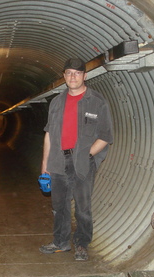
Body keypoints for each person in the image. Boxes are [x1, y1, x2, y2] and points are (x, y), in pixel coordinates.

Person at [39, 58, 113, 261]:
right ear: (64, 76)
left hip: (82, 162)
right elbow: (48, 134)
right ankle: (61, 242)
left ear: (84, 76)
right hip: (57, 161)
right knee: (59, 205)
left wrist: (87, 155)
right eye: (69, 73)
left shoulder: (97, 102)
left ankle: (81, 244)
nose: (73, 77)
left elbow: (105, 136)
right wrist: (44, 163)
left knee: (82, 206)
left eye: (77, 73)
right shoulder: (56, 102)